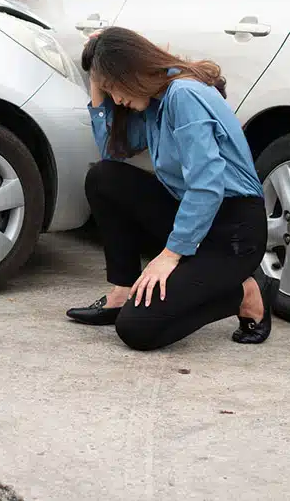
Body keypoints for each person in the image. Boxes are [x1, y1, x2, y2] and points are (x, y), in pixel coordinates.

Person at [66, 27, 277, 350]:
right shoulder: (155, 102)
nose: (115, 99)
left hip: (233, 232)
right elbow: (111, 151)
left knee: (137, 329)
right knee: (105, 178)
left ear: (131, 71)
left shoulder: (184, 95)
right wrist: (95, 74)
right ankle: (122, 290)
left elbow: (207, 187)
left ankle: (245, 292)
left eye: (112, 87)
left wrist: (169, 255)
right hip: (196, 219)